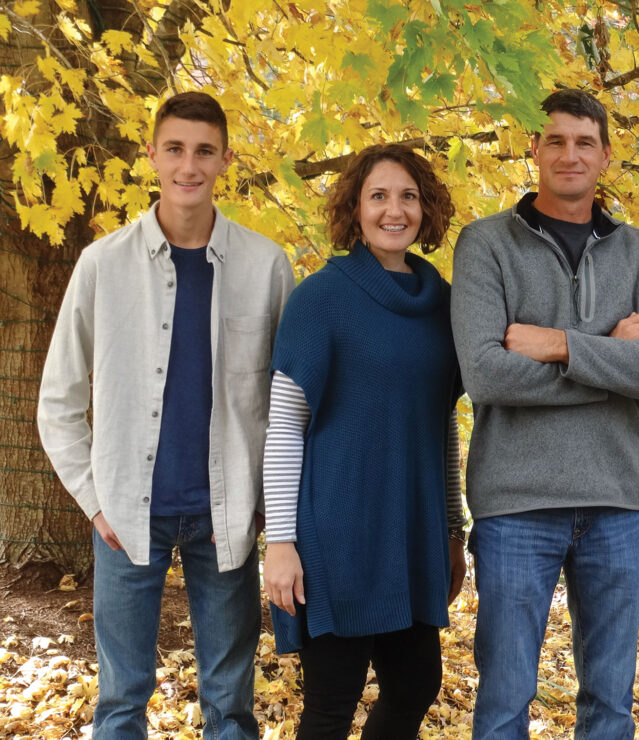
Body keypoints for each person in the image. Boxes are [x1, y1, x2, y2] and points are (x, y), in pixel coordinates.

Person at [37, 92, 294, 739]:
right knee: (121, 699)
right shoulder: (103, 264)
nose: (189, 165)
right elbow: (58, 401)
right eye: (175, 148)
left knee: (230, 701)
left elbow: (286, 401)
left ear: (225, 159)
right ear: (151, 155)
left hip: (226, 517)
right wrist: (96, 504)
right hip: (126, 513)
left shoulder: (265, 266)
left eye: (204, 150)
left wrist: (267, 502)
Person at [450, 88, 639, 739]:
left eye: (585, 142)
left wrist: (559, 345)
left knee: (609, 703)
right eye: (554, 139)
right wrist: (613, 356)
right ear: (532, 147)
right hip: (516, 501)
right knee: (505, 699)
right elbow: (488, 375)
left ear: (607, 155)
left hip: (617, 500)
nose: (569, 154)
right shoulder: (485, 245)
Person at [261, 143, 466, 739]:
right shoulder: (320, 299)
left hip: (413, 533)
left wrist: (454, 529)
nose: (393, 210)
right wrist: (279, 542)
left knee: (415, 684)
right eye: (378, 196)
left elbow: (442, 425)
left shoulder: (443, 305)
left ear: (426, 209)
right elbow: (285, 426)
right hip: (337, 535)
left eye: (408, 196)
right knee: (331, 703)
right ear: (355, 208)